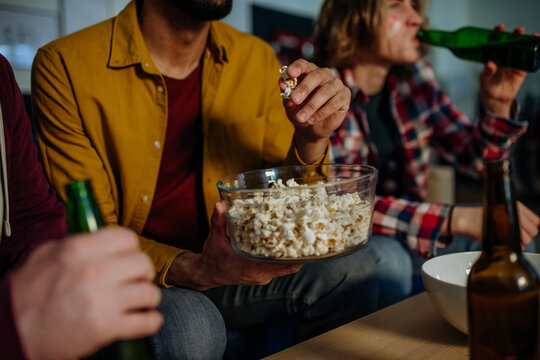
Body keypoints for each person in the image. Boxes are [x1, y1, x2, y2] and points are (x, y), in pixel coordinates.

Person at [31, 0, 379, 358]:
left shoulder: (257, 59)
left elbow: (288, 207)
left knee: (372, 264)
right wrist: (197, 269)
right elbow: (92, 237)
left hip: (240, 266)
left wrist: (311, 138)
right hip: (144, 279)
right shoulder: (65, 66)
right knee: (192, 323)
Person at [312, 0, 540, 307]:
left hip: (411, 230)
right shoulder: (324, 91)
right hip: (350, 242)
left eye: (415, 6)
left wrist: (498, 103)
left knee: (507, 231)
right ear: (353, 16)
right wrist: (452, 218)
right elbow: (336, 207)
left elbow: (476, 162)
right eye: (397, 5)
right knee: (390, 261)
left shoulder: (416, 79)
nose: (416, 19)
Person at [0, 54, 163, 360]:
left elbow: (29, 216)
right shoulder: (62, 62)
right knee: (191, 324)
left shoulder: (1, 73)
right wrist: (12, 323)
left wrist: (82, 268)